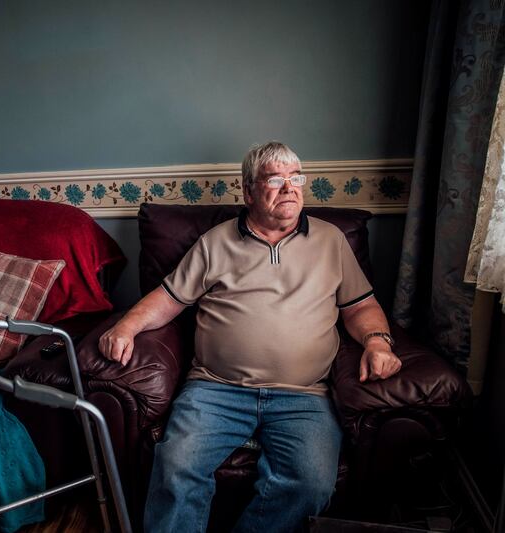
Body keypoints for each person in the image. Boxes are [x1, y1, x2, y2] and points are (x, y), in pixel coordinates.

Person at [98, 141, 402, 532]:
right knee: (177, 467)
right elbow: (168, 299)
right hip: (216, 388)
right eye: (276, 179)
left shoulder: (331, 240)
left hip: (304, 394)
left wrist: (378, 341)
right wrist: (126, 326)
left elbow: (360, 306)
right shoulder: (215, 242)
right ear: (248, 190)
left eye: (296, 178)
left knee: (311, 484)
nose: (290, 187)